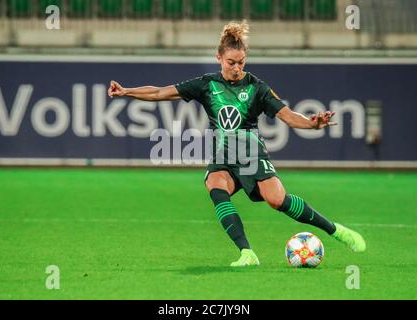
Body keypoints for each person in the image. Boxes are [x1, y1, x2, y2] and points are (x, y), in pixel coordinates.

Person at [107, 21, 366, 267]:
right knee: (214, 184)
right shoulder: (207, 85)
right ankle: (247, 252)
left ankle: (335, 230)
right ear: (219, 58)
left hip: (251, 152)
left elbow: (287, 116)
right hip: (224, 153)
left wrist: (312, 123)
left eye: (241, 62)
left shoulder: (257, 87)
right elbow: (161, 92)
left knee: (277, 201)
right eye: (231, 62)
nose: (236, 68)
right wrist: (126, 91)